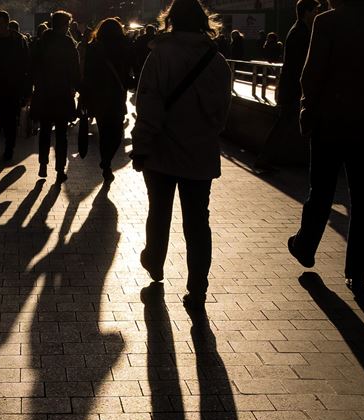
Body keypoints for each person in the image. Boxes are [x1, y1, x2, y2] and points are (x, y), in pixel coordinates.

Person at [287, 0, 364, 296]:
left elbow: (312, 72)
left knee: (321, 190)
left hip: (330, 121)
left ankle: (305, 246)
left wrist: (306, 109)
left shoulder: (326, 22)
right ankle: (358, 274)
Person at [131, 0, 232, 307]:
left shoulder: (160, 55)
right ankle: (197, 286)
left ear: (170, 20)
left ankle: (155, 261)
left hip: (161, 152)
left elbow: (146, 105)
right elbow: (221, 115)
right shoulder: (217, 62)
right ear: (204, 22)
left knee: (158, 212)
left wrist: (141, 145)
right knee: (198, 222)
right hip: (199, 155)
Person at [255, 0, 319, 174]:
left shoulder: (298, 30)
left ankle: (265, 158)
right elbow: (300, 65)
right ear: (306, 12)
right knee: (284, 124)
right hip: (294, 89)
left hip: (290, 88)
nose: (317, 15)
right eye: (315, 11)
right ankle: (265, 158)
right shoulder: (301, 32)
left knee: (284, 124)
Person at [81, 18, 135, 181]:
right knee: (117, 133)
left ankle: (105, 161)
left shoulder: (93, 48)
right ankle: (107, 160)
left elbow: (88, 73)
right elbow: (129, 71)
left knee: (104, 131)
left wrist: (85, 95)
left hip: (98, 96)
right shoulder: (124, 47)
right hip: (117, 96)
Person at [31, 10, 80, 182]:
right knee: (61, 134)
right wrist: (79, 88)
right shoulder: (68, 43)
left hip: (44, 93)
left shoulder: (41, 41)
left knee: (45, 130)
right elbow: (75, 69)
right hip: (62, 94)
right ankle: (60, 169)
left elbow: (33, 67)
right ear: (64, 25)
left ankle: (43, 163)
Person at [0, 10, 31, 161]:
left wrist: (27, 87)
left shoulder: (18, 39)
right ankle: (8, 139)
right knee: (2, 116)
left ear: (5, 22)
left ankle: (9, 146)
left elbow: (26, 62)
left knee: (10, 116)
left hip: (14, 84)